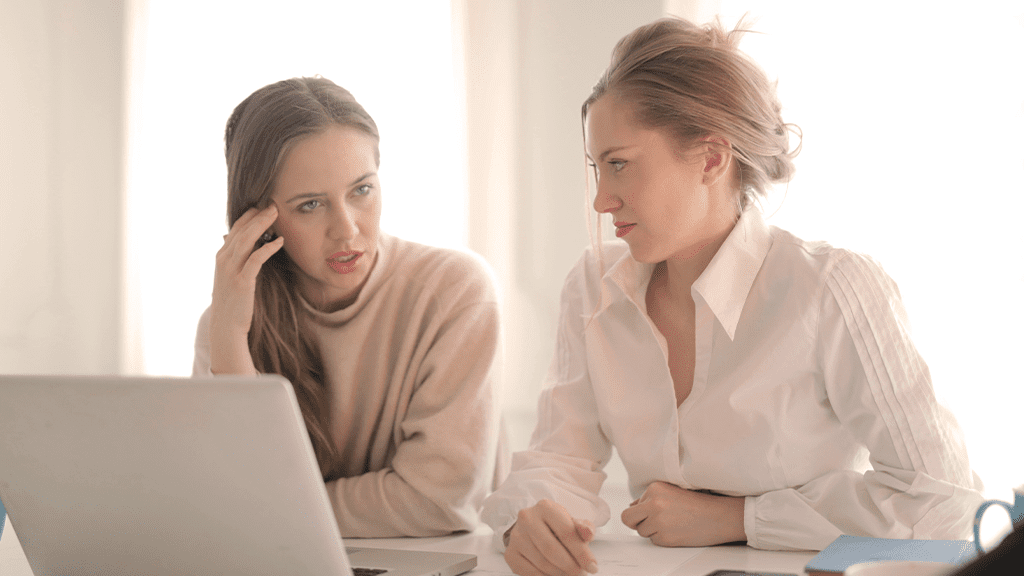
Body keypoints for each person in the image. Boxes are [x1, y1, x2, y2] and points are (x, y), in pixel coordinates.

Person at [481, 16, 983, 575]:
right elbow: (560, 455)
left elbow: (943, 501)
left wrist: (739, 519)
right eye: (597, 169)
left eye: (619, 164)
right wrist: (530, 518)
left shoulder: (831, 289)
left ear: (712, 158)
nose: (602, 200)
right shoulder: (593, 285)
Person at [192, 76, 506, 537]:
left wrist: (280, 509)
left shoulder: (456, 291)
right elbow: (230, 502)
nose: (347, 230)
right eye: (310, 205)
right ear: (258, 218)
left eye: (362, 191)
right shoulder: (229, 325)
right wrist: (229, 340)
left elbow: (439, 501)